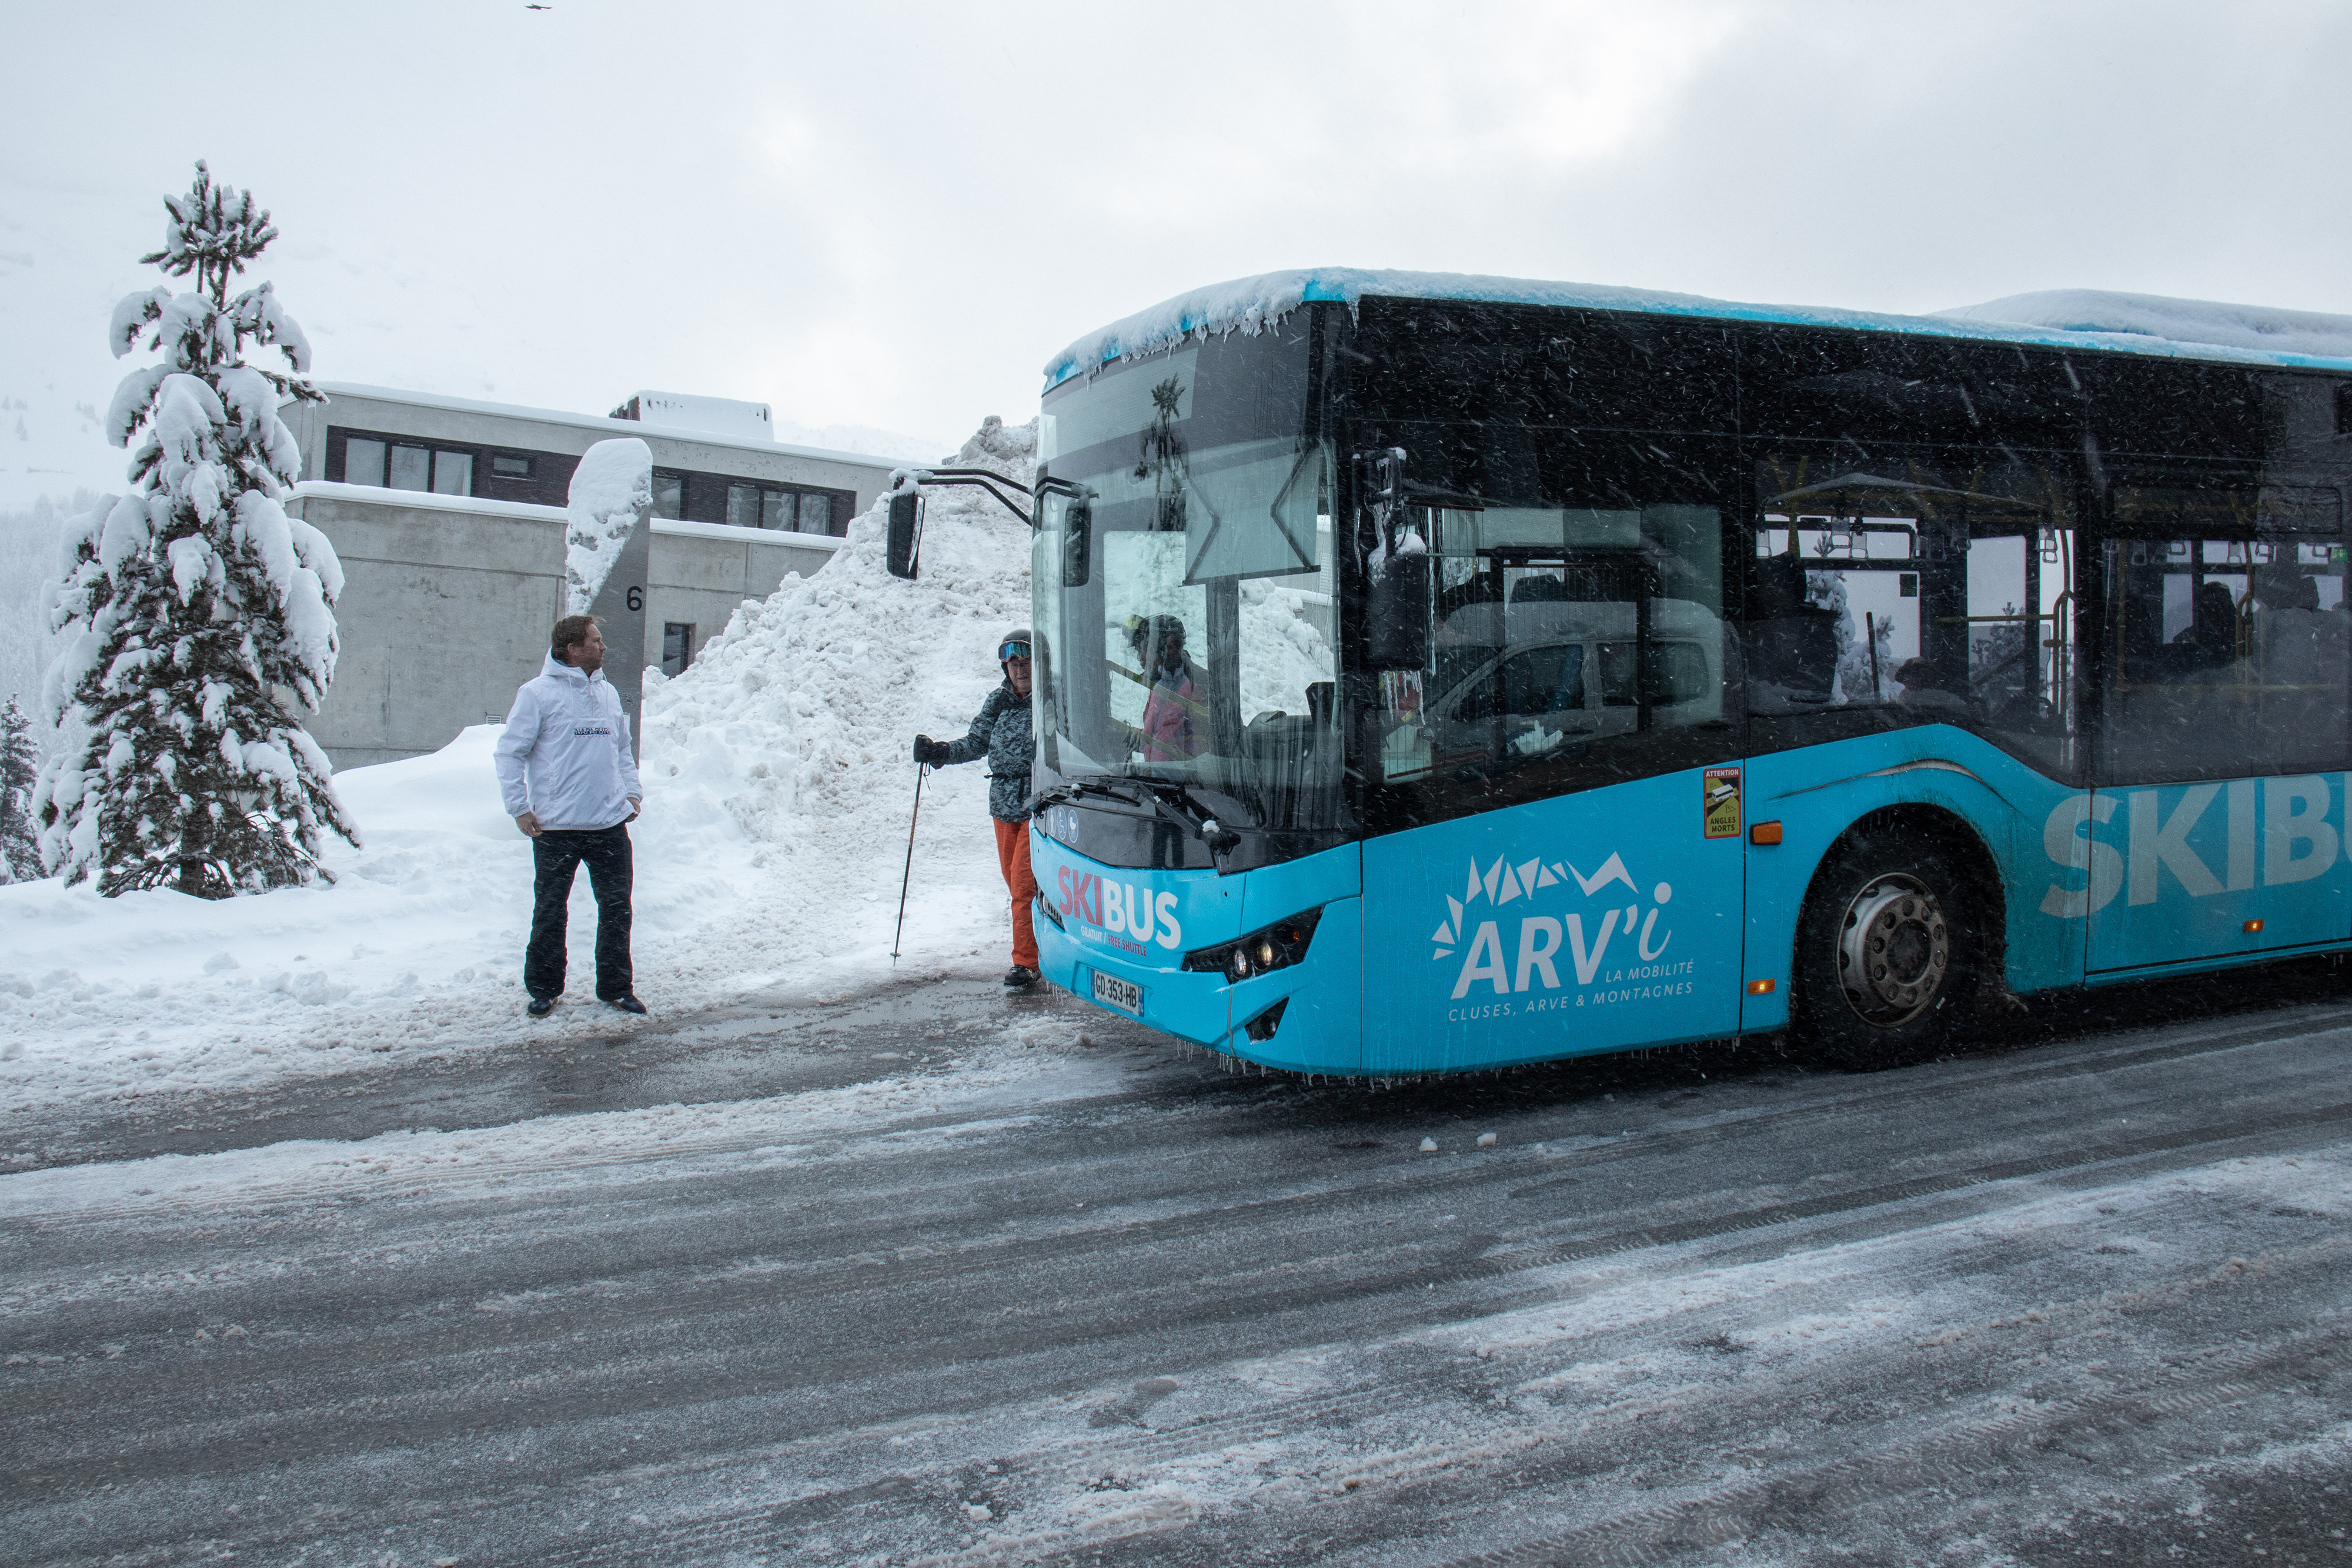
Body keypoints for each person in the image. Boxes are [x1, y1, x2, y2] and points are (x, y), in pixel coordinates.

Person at [495, 614, 646, 1018]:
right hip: (557, 828)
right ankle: (544, 988)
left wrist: (631, 792)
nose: (603, 647)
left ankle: (616, 987)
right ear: (572, 649)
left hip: (609, 826)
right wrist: (519, 807)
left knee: (617, 909)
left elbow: (622, 750)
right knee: (550, 909)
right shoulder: (537, 694)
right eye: (596, 640)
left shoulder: (609, 693)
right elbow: (510, 753)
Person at [914, 630, 1040, 989]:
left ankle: (1027, 963)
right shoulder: (998, 701)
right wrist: (939, 753)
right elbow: (976, 742)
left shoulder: (1051, 699)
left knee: (1023, 887)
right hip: (1002, 805)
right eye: (1013, 664)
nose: (1020, 670)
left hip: (1038, 806)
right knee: (1016, 883)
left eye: (1026, 662)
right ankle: (1042, 950)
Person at [1127, 614, 1206, 762]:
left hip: (1182, 781)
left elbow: (1202, 745)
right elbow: (1159, 734)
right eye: (1140, 649)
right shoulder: (1161, 682)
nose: (1141, 657)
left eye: (1144, 649)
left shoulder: (1197, 687)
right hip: (1159, 777)